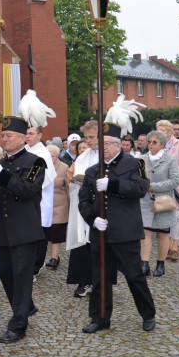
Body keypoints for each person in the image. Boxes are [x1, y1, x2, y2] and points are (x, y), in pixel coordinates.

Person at [79, 122, 156, 334]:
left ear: (118, 145)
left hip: (125, 231)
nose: (102, 147)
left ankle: (148, 314)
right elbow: (83, 201)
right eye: (99, 143)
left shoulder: (135, 163)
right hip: (100, 232)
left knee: (133, 275)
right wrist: (92, 219)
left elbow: (141, 188)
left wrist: (113, 185)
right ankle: (100, 318)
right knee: (100, 277)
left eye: (106, 143)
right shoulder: (92, 171)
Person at [0, 115, 46, 343]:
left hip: (24, 230)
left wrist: (2, 174)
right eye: (2, 135)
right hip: (2, 231)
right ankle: (24, 307)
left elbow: (26, 189)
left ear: (22, 138)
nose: (4, 139)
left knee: (21, 277)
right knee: (7, 276)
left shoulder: (36, 162)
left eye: (9, 135)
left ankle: (18, 325)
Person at [139, 130, 179, 278]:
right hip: (145, 202)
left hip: (163, 202)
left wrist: (153, 186)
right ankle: (144, 264)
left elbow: (175, 180)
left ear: (162, 144)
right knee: (145, 233)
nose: (150, 144)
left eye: (154, 142)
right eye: (149, 141)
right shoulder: (141, 159)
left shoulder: (170, 160)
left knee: (162, 234)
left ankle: (160, 264)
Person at [65, 121, 99, 298]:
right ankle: (83, 280)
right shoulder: (83, 157)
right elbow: (70, 175)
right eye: (86, 137)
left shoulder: (106, 156)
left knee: (97, 245)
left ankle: (99, 281)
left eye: (92, 137)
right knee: (82, 244)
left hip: (99, 206)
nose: (88, 141)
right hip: (83, 205)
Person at [24, 123, 56, 275]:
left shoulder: (42, 154)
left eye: (31, 133)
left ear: (40, 136)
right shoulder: (26, 150)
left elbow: (42, 179)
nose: (28, 136)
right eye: (27, 133)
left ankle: (36, 266)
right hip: (28, 198)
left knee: (39, 234)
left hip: (40, 199)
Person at [156, 119, 179, 262]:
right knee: (164, 216)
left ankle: (174, 247)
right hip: (161, 186)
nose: (158, 133)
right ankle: (167, 244)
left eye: (162, 131)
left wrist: (173, 173)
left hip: (178, 186)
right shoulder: (155, 144)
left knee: (176, 216)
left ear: (169, 132)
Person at [46, 144, 70, 269]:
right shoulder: (42, 167)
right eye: (47, 156)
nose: (50, 158)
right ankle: (53, 256)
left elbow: (68, 187)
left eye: (52, 156)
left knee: (56, 231)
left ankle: (54, 258)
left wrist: (71, 206)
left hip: (60, 205)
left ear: (57, 156)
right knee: (49, 232)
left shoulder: (64, 167)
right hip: (46, 205)